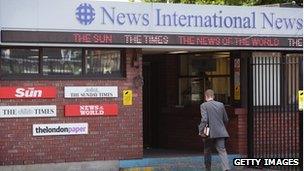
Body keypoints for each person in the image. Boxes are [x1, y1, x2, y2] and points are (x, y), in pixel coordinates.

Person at [200, 89, 230, 171]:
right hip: (221, 132)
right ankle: (226, 168)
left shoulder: (203, 105)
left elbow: (204, 120)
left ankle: (208, 168)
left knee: (207, 151)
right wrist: (222, 127)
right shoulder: (221, 105)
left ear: (206, 96)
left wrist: (200, 130)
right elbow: (226, 119)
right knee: (222, 151)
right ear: (213, 96)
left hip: (209, 133)